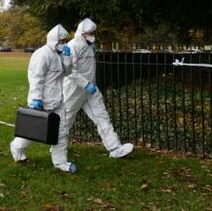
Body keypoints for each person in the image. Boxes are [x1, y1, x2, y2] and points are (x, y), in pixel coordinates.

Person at [9, 24, 77, 173]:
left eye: (66, 41)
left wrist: (68, 58)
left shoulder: (60, 55)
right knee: (35, 131)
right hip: (42, 100)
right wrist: (35, 98)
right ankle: (17, 147)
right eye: (62, 41)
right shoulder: (42, 54)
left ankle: (60, 162)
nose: (64, 43)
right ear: (54, 40)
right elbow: (35, 77)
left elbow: (67, 73)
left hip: (58, 99)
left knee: (62, 131)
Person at [64, 18, 133, 158]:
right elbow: (69, 70)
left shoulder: (89, 46)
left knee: (102, 117)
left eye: (93, 32)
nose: (92, 35)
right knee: (66, 120)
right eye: (90, 33)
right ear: (82, 33)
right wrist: (85, 84)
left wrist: (91, 85)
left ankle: (115, 149)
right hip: (74, 91)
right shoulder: (72, 46)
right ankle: (57, 147)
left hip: (90, 91)